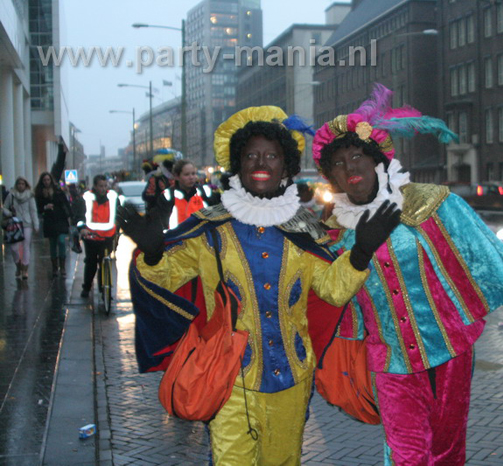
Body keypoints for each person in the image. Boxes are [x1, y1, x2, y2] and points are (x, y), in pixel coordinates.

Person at [117, 106, 400, 465]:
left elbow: (331, 290)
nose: (260, 161)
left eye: (271, 155)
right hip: (229, 380)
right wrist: (154, 254)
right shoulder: (211, 229)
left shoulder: (304, 230)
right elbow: (166, 278)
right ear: (238, 165)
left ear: (286, 166)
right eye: (250, 155)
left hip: (294, 379)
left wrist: (359, 253)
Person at [312, 84, 503, 466]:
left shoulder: (430, 203)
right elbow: (327, 294)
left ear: (377, 159)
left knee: (448, 452)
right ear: (330, 174)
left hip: (450, 351)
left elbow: (483, 260)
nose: (350, 168)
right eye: (338, 163)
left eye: (357, 157)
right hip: (390, 362)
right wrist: (357, 251)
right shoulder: (333, 231)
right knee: (407, 456)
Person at [75, 175, 120, 298]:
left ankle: (104, 289)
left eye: (105, 186)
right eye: (101, 186)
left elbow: (119, 212)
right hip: (91, 236)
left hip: (108, 236)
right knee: (91, 262)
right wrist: (82, 228)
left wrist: (120, 224)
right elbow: (79, 215)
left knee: (104, 261)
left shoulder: (112, 197)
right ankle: (87, 287)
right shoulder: (87, 198)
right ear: (95, 186)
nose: (103, 188)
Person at [35, 144, 71, 277]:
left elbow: (58, 167)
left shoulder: (57, 190)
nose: (46, 181)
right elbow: (37, 208)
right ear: (42, 181)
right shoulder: (39, 193)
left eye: (48, 179)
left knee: (61, 241)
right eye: (44, 180)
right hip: (49, 221)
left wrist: (63, 153)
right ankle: (55, 267)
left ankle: (62, 267)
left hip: (60, 220)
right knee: (52, 244)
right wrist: (45, 208)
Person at [159, 159, 216, 230]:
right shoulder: (168, 196)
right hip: (177, 239)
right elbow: (162, 224)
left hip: (202, 238)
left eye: (193, 173)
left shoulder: (205, 192)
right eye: (186, 174)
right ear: (177, 176)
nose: (191, 177)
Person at [3, 177, 40, 279]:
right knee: (14, 248)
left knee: (25, 247)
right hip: (15, 224)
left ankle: (25, 270)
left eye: (23, 184)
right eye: (19, 184)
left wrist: (36, 225)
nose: (21, 186)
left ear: (26, 185)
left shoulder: (30, 196)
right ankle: (18, 265)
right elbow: (4, 208)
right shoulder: (12, 195)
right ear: (16, 185)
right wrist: (10, 213)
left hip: (27, 224)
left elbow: (33, 211)